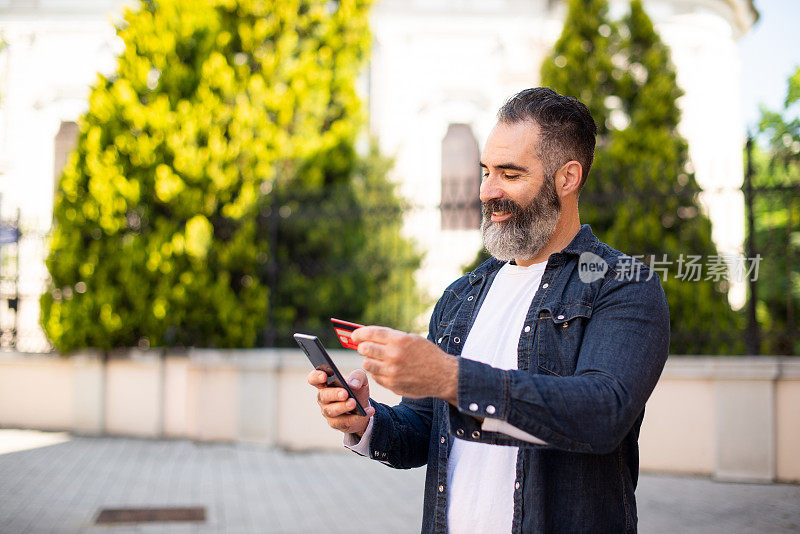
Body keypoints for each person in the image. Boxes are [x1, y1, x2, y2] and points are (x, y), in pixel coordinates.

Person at [307, 87, 669, 534]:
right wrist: (368, 420)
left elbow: (602, 414)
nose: (486, 191)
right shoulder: (462, 295)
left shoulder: (623, 283)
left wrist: (451, 378)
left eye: (510, 175)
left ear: (568, 178)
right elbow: (426, 429)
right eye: (485, 172)